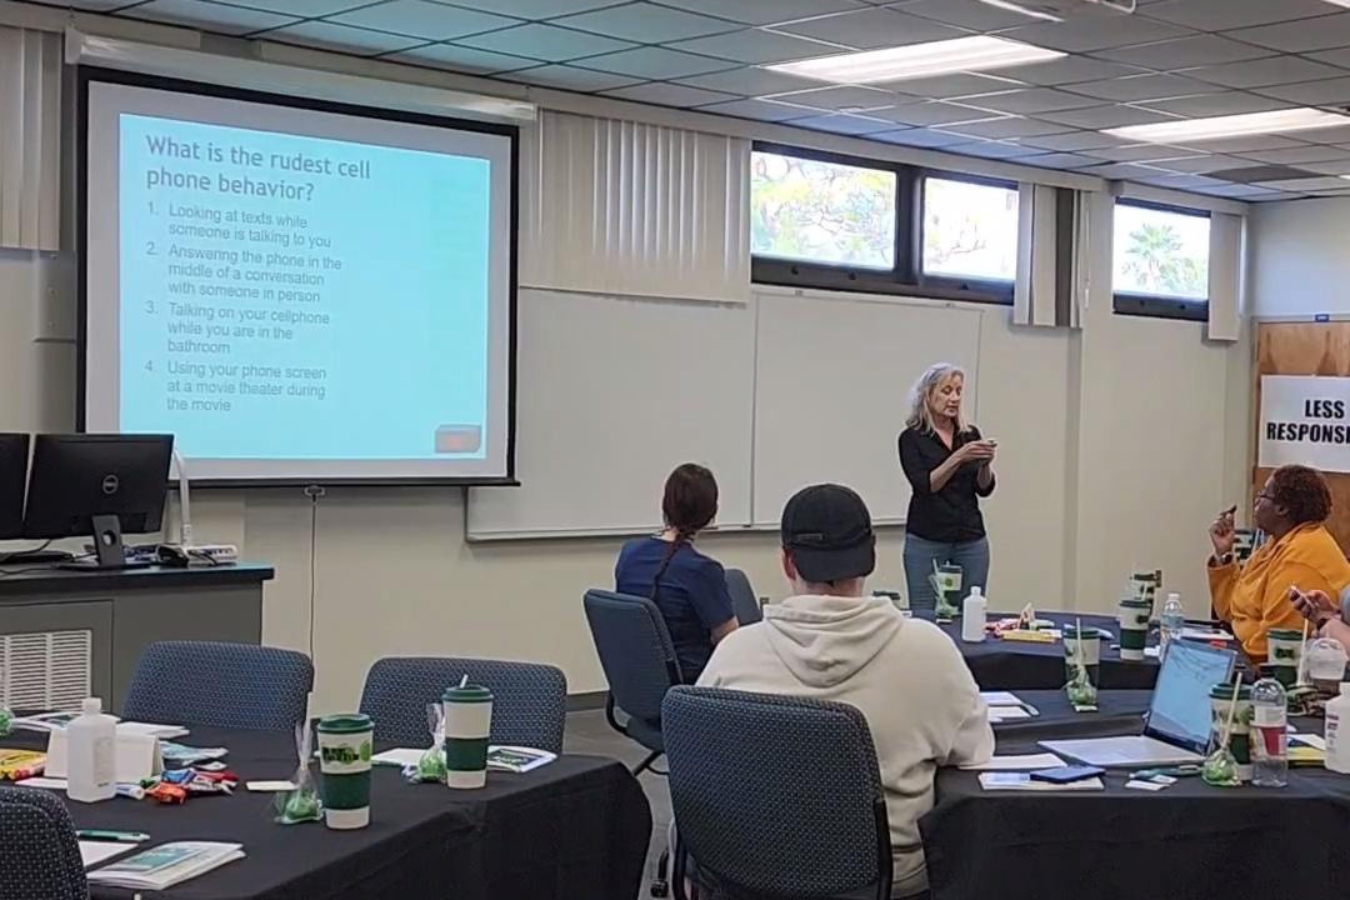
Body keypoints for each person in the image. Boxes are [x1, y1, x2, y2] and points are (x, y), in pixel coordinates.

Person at [697, 483, 993, 898]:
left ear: (787, 561)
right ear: (870, 557)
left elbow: (699, 773)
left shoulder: (735, 654)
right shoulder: (929, 651)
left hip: (749, 875)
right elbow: (975, 754)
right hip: (886, 880)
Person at [1208, 464, 1350, 661]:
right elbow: (1230, 611)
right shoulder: (1275, 544)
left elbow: (1272, 645)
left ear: (1282, 508)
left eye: (1263, 495)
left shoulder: (1301, 556)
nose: (1256, 500)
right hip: (1241, 650)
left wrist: (1225, 658)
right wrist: (1223, 554)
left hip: (1263, 670)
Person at [615, 463, 737, 683]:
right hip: (691, 685)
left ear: (665, 505)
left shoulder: (629, 553)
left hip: (639, 681)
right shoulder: (702, 570)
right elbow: (730, 641)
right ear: (711, 513)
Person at [898, 363, 997, 611]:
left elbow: (983, 488)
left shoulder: (969, 434)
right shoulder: (912, 438)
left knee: (969, 612)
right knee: (925, 613)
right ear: (928, 395)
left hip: (970, 537)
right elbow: (925, 486)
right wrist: (958, 457)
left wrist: (985, 465)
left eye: (958, 391)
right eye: (946, 391)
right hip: (927, 538)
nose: (954, 398)